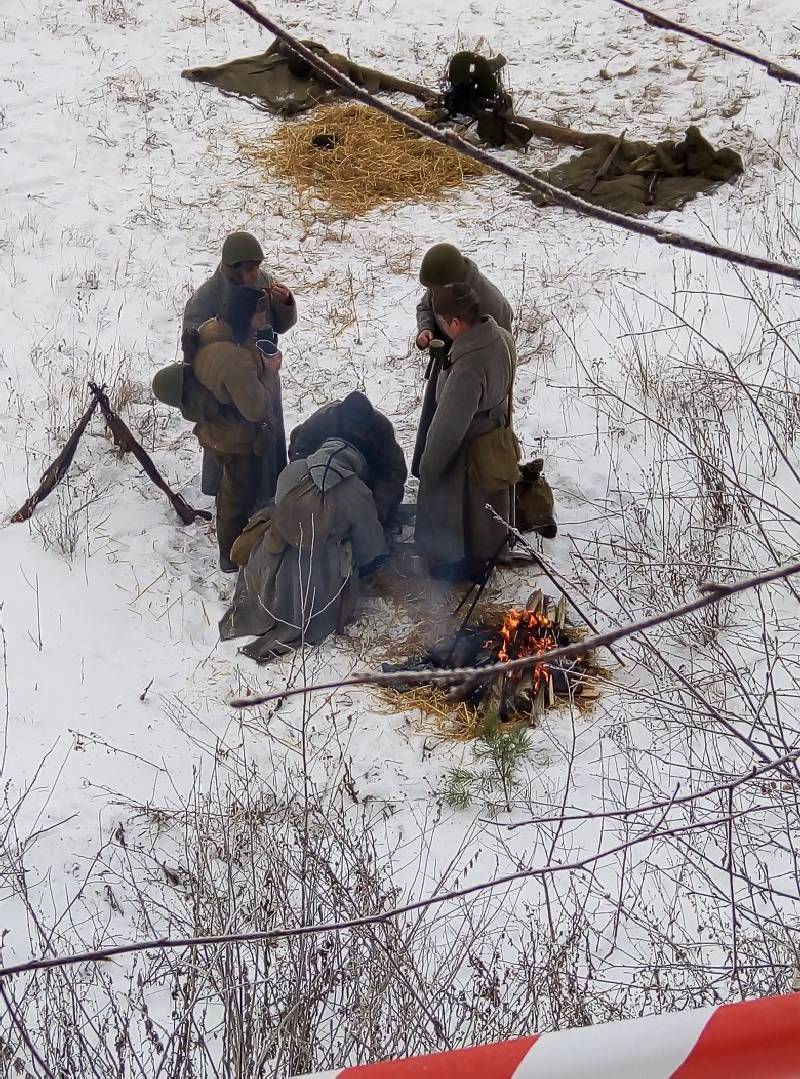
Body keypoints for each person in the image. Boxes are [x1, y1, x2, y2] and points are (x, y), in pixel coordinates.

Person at [219, 438, 385, 661]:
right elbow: (370, 546)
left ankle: (265, 608)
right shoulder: (357, 491)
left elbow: (278, 505)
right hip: (319, 575)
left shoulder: (293, 469)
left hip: (270, 556)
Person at [415, 283, 518, 582]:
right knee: (490, 508)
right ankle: (487, 550)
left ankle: (467, 566)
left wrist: (429, 469)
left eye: (445, 323)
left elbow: (447, 432)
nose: (443, 329)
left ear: (457, 322)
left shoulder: (468, 368)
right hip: (497, 443)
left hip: (471, 454)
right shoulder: (501, 336)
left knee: (469, 514)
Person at [183, 231, 297, 496]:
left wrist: (284, 303)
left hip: (263, 373)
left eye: (258, 267)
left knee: (267, 439)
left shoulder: (263, 282)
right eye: (249, 269)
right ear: (231, 269)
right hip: (227, 389)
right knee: (232, 455)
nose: (257, 274)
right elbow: (196, 353)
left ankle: (270, 488)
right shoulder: (205, 299)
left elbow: (280, 325)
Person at [192, 285, 284, 571]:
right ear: (245, 316)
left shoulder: (211, 330)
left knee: (228, 490)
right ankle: (231, 556)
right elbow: (256, 409)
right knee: (237, 498)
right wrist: (269, 373)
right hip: (236, 440)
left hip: (216, 430)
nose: (264, 320)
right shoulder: (237, 361)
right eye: (259, 315)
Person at [412, 243, 513, 476]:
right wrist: (425, 329)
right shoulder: (442, 283)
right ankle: (432, 469)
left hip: (475, 371)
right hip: (448, 360)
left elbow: (502, 344)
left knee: (469, 442)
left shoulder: (490, 303)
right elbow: (425, 306)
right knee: (438, 424)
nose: (433, 292)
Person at [288, 391, 407, 526]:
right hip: (324, 472)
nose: (360, 434)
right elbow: (299, 454)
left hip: (367, 477)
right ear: (342, 420)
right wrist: (309, 493)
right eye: (356, 429)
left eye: (363, 429)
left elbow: (394, 470)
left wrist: (378, 508)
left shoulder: (381, 427)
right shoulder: (321, 422)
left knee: (383, 513)